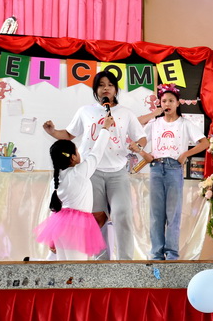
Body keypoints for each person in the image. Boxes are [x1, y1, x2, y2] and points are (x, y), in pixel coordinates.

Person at [43, 71, 147, 260]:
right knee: (96, 218)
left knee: (122, 214)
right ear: (95, 89)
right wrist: (53, 132)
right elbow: (69, 134)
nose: (106, 88)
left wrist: (138, 146)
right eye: (101, 85)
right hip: (92, 173)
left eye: (110, 84)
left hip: (118, 172)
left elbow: (141, 137)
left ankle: (126, 262)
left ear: (116, 89)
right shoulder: (85, 111)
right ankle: (101, 261)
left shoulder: (126, 113)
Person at [129, 84, 209, 261]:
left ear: (178, 103)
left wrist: (185, 154)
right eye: (164, 101)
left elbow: (205, 143)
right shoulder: (154, 123)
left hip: (174, 168)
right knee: (156, 214)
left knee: (173, 213)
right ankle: (156, 254)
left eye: (171, 100)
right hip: (156, 168)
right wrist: (143, 152)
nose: (167, 104)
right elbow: (138, 133)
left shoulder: (185, 124)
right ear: (160, 103)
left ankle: (172, 254)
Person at [34, 114, 114, 260]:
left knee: (64, 265)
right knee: (77, 268)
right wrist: (105, 128)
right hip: (77, 227)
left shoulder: (56, 180)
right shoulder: (80, 172)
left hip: (59, 225)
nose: (79, 154)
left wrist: (52, 238)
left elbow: (54, 209)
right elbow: (97, 152)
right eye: (77, 151)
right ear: (73, 157)